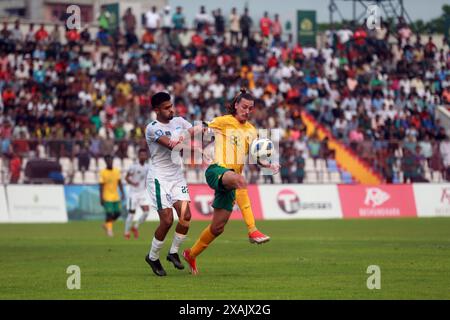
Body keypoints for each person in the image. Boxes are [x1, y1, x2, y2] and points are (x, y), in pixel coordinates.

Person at [182, 89, 280, 275]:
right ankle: (252, 230)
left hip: (231, 180)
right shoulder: (225, 121)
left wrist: (269, 164)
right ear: (236, 105)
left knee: (218, 227)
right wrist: (183, 136)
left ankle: (191, 254)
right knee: (241, 180)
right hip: (217, 170)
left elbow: (254, 155)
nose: (247, 111)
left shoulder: (251, 130)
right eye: (244, 107)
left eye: (250, 108)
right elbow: (201, 126)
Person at [144, 91, 196, 277]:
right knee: (167, 220)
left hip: (176, 176)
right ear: (156, 110)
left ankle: (173, 252)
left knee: (186, 216)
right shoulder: (152, 128)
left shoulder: (179, 121)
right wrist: (187, 139)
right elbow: (170, 144)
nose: (171, 110)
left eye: (171, 106)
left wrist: (205, 127)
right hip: (159, 178)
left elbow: (195, 131)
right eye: (166, 108)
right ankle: (152, 257)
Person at [124, 148, 151, 239]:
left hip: (142, 193)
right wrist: (132, 183)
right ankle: (126, 232)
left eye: (144, 155)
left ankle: (135, 227)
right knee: (131, 214)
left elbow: (147, 178)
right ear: (138, 156)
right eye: (141, 155)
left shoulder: (147, 166)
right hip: (133, 194)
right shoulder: (134, 166)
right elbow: (126, 178)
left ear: (146, 156)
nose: (143, 156)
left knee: (146, 212)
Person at [99, 155, 125, 237]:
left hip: (115, 196)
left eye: (111, 160)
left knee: (118, 213)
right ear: (105, 162)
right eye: (108, 161)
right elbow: (101, 186)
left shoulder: (116, 171)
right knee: (109, 214)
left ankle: (106, 224)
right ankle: (109, 230)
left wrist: (123, 193)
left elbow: (120, 182)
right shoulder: (103, 172)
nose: (109, 162)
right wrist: (101, 198)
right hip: (107, 197)